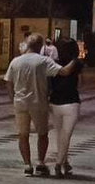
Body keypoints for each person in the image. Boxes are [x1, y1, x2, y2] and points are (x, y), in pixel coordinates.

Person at [5, 34, 81, 176]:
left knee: (23, 135)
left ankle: (27, 165)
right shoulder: (43, 61)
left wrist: (13, 98)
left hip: (20, 103)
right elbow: (64, 72)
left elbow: (8, 82)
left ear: (27, 45)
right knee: (42, 134)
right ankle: (40, 163)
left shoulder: (15, 62)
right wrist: (75, 60)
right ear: (40, 46)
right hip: (38, 102)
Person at [48, 37, 83, 177]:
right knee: (66, 134)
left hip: (54, 102)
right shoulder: (77, 64)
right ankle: (58, 164)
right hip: (71, 102)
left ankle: (65, 162)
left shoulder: (52, 63)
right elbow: (80, 83)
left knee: (59, 135)